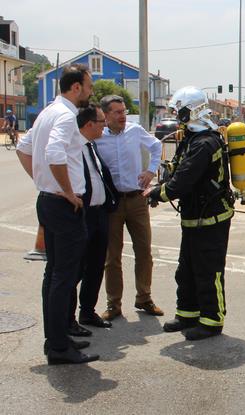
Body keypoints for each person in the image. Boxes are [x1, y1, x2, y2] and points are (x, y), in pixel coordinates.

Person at [16, 64, 99, 364]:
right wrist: (64, 190)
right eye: (88, 85)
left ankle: (57, 340)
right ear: (75, 87)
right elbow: (53, 154)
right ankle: (58, 347)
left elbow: (23, 150)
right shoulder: (65, 115)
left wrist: (44, 182)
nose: (90, 90)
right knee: (64, 277)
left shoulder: (47, 114)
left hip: (48, 201)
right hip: (62, 205)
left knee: (54, 275)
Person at [144, 86, 234, 341]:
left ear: (190, 110)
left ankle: (211, 321)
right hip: (194, 216)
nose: (176, 114)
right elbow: (178, 168)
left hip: (212, 218)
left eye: (178, 110)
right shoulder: (192, 139)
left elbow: (184, 180)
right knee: (187, 269)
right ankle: (187, 314)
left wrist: (157, 194)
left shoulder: (206, 142)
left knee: (209, 271)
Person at [95, 95, 163, 320]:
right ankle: (114, 304)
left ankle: (144, 297)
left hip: (136, 200)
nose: (122, 116)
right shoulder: (97, 138)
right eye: (117, 112)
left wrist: (151, 170)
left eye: (124, 111)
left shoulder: (135, 131)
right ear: (105, 115)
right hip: (112, 203)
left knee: (144, 251)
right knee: (112, 257)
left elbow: (156, 146)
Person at [68, 104, 118, 336]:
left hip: (100, 214)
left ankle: (87, 311)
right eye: (101, 121)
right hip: (83, 216)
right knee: (75, 268)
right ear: (89, 125)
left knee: (96, 266)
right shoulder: (73, 147)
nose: (105, 125)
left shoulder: (91, 146)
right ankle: (67, 319)